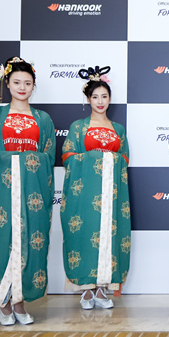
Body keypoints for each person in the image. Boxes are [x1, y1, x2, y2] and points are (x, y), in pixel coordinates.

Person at [0, 57, 55, 326]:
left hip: (31, 194)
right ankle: (4, 302)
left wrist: (27, 160)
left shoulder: (43, 119)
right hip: (1, 192)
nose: (22, 87)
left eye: (27, 83)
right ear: (6, 83)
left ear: (34, 86)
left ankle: (20, 301)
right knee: (1, 240)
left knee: (29, 241)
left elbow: (48, 156)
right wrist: (11, 159)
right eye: (17, 82)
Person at [60, 66, 131, 311]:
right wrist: (97, 158)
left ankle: (102, 288)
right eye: (95, 97)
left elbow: (124, 159)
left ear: (110, 99)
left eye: (104, 96)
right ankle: (87, 288)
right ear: (88, 99)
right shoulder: (78, 127)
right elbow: (68, 156)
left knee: (110, 235)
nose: (100, 101)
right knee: (85, 234)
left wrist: (109, 159)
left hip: (112, 195)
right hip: (85, 194)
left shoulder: (118, 129)